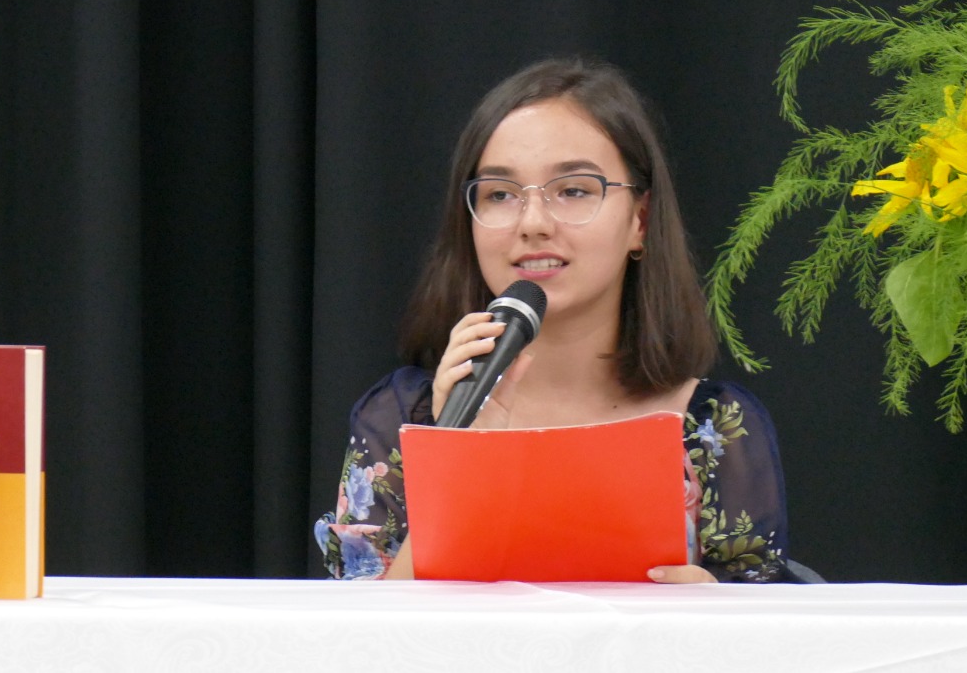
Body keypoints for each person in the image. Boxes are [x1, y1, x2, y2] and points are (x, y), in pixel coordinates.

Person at [313, 57, 789, 583]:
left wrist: (712, 610)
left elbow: (768, 623)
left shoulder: (715, 428)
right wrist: (458, 459)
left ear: (640, 219)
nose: (533, 223)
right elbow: (366, 625)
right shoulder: (404, 416)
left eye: (574, 190)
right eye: (500, 194)